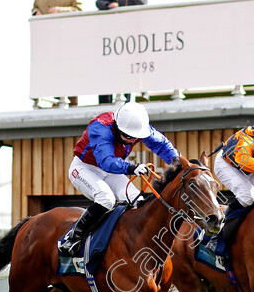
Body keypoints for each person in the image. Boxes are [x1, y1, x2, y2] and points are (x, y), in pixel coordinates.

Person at [58, 101, 179, 256]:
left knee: (138, 202)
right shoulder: (100, 128)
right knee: (106, 199)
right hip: (84, 168)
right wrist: (131, 168)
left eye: (135, 138)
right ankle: (72, 237)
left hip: (110, 171)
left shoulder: (136, 127)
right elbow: (106, 161)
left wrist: (179, 162)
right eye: (128, 137)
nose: (131, 141)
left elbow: (162, 145)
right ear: (117, 126)